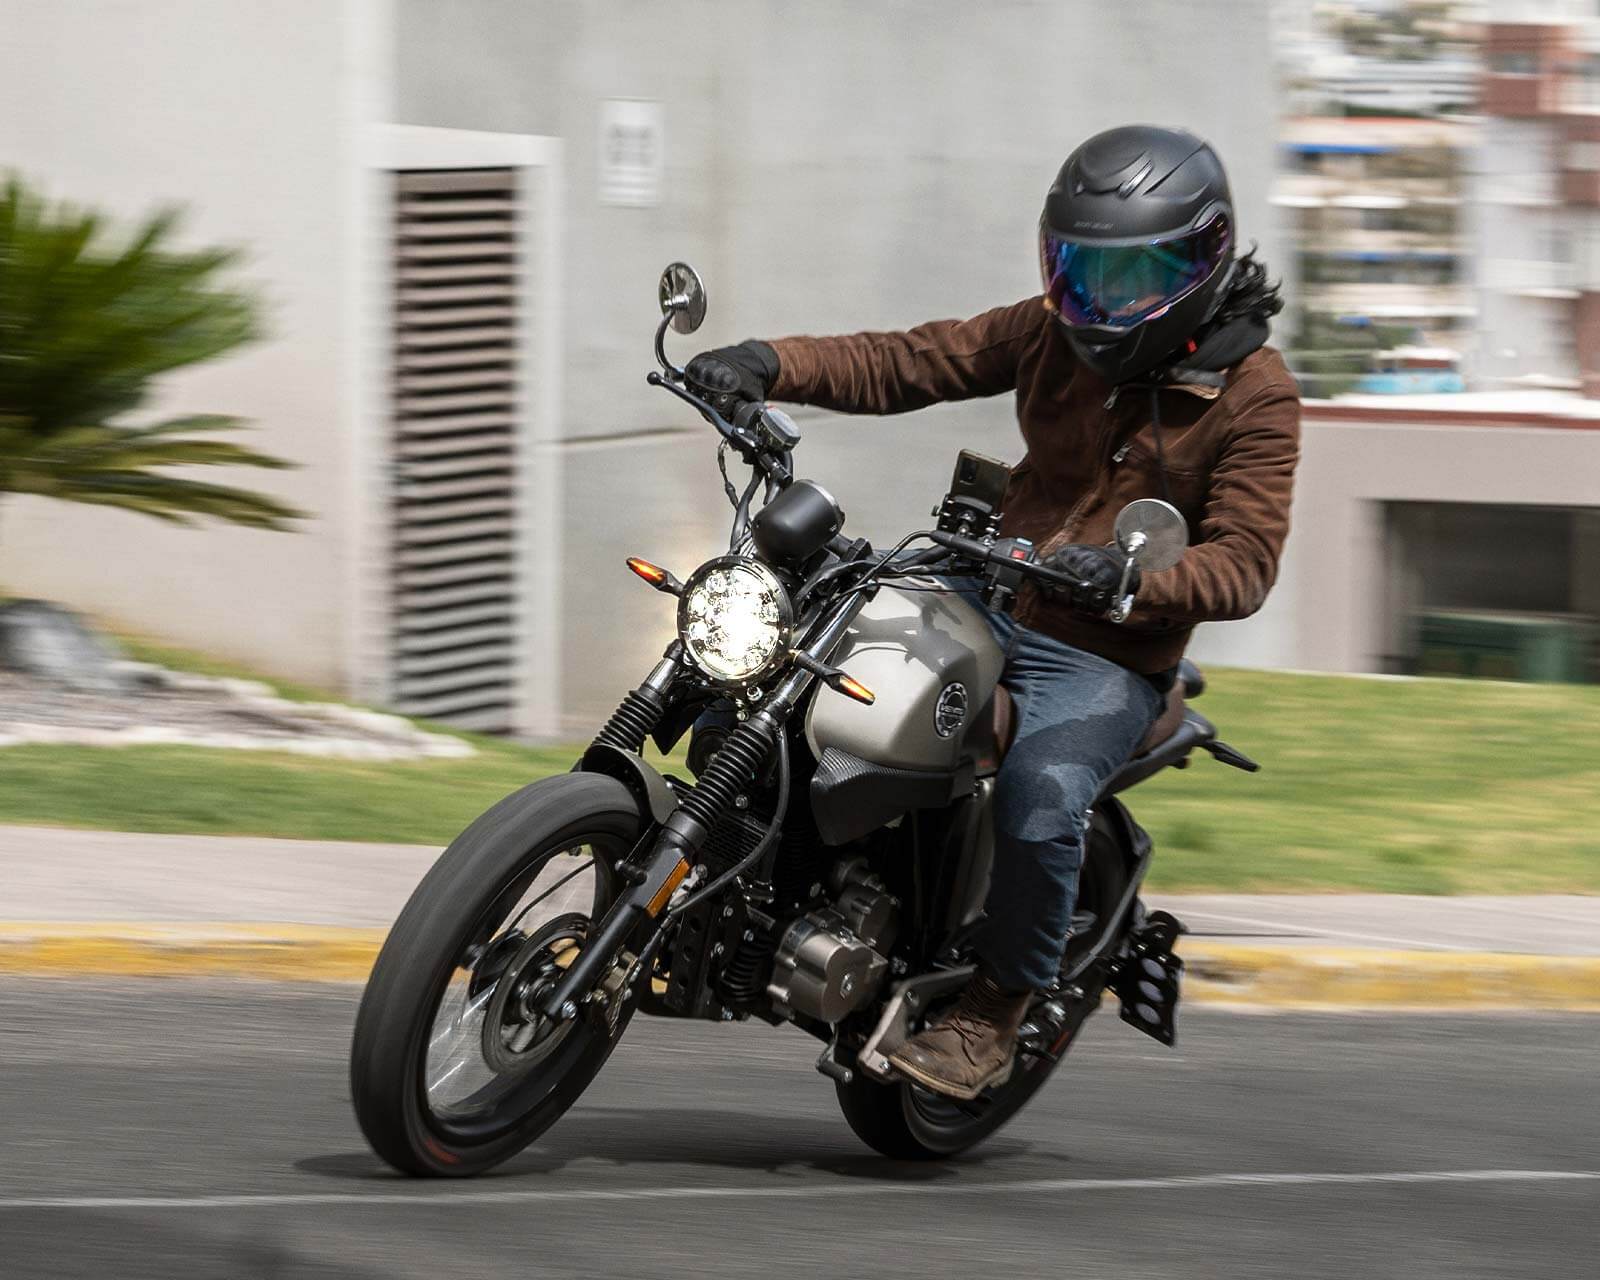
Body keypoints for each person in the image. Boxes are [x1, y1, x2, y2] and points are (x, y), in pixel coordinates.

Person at [685, 124, 1301, 1101]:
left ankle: (994, 1012)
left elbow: (1245, 559)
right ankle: (747, 871)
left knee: (1042, 792)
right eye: (1084, 272)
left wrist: (1132, 579)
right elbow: (914, 360)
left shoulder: (1255, 396)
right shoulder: (1050, 332)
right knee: (790, 655)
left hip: (1104, 648)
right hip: (986, 580)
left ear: (1202, 259)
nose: (1104, 301)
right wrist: (767, 361)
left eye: (1134, 275)